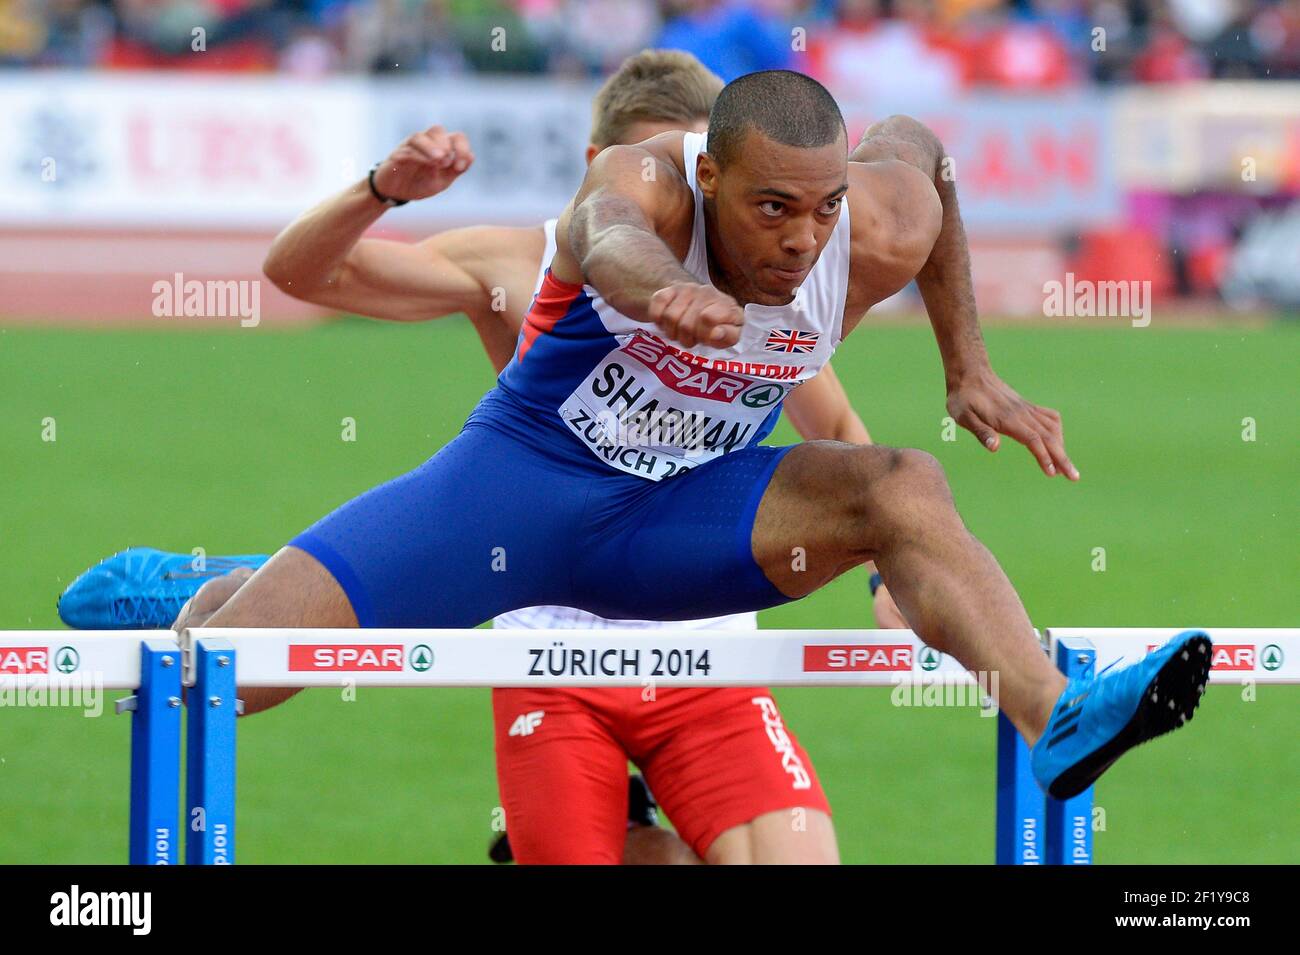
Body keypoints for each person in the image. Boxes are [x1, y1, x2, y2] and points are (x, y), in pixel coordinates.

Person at [61, 51, 907, 865]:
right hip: (549, 631)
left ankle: (273, 576)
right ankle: (260, 586)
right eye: (671, 165)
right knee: (249, 676)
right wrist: (378, 191)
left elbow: (835, 421)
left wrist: (886, 576)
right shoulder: (517, 259)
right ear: (604, 161)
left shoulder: (755, 283)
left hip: (695, 637)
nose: (689, 197)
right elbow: (304, 275)